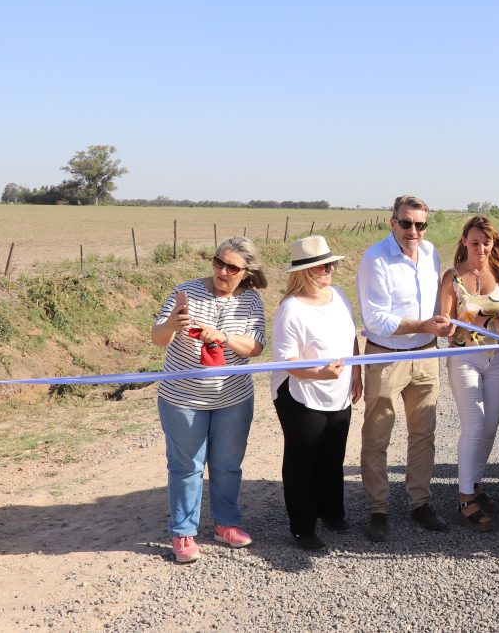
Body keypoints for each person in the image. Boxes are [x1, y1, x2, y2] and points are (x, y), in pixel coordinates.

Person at [151, 236, 267, 564]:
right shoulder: (185, 291)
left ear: (246, 272)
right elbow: (157, 339)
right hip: (182, 398)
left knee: (227, 466)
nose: (223, 270)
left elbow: (256, 347)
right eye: (218, 262)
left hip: (233, 398)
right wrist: (172, 323)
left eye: (232, 267)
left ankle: (226, 525)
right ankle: (183, 533)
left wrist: (225, 337)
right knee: (186, 466)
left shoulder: (252, 302)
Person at [357, 195, 454, 542]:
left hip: (426, 354)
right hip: (386, 357)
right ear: (392, 222)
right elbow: (376, 320)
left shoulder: (430, 254)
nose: (413, 230)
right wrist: (424, 326)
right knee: (378, 434)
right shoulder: (375, 259)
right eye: (406, 223)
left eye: (420, 224)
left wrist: (444, 323)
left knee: (424, 433)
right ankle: (378, 509)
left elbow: (437, 304)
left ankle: (420, 503)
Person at [271, 236, 361, 550]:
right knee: (302, 458)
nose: (331, 269)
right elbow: (287, 361)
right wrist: (320, 373)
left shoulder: (339, 295)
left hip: (338, 389)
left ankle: (332, 512)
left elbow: (352, 337)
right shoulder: (291, 309)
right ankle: (302, 526)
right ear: (307, 271)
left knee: (333, 454)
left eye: (332, 263)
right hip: (301, 394)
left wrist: (357, 373)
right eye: (324, 266)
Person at [438, 216, 499, 531]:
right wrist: (446, 324)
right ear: (464, 241)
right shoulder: (452, 277)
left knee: (490, 426)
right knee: (473, 423)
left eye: (486, 243)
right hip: (465, 357)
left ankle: (474, 485)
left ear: (493, 243)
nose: (481, 249)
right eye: (475, 242)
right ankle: (464, 499)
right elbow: (446, 320)